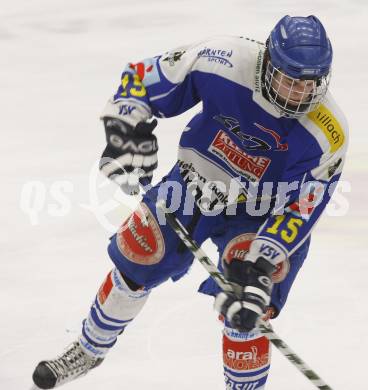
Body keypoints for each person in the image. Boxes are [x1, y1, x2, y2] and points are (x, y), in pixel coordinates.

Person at [32, 15, 348, 389]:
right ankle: (88, 348)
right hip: (195, 185)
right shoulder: (223, 60)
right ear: (268, 64)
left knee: (248, 309)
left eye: (311, 84)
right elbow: (141, 78)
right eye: (291, 81)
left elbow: (303, 208)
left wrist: (262, 264)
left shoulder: (328, 133)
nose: (301, 94)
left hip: (264, 217)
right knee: (139, 253)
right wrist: (125, 128)